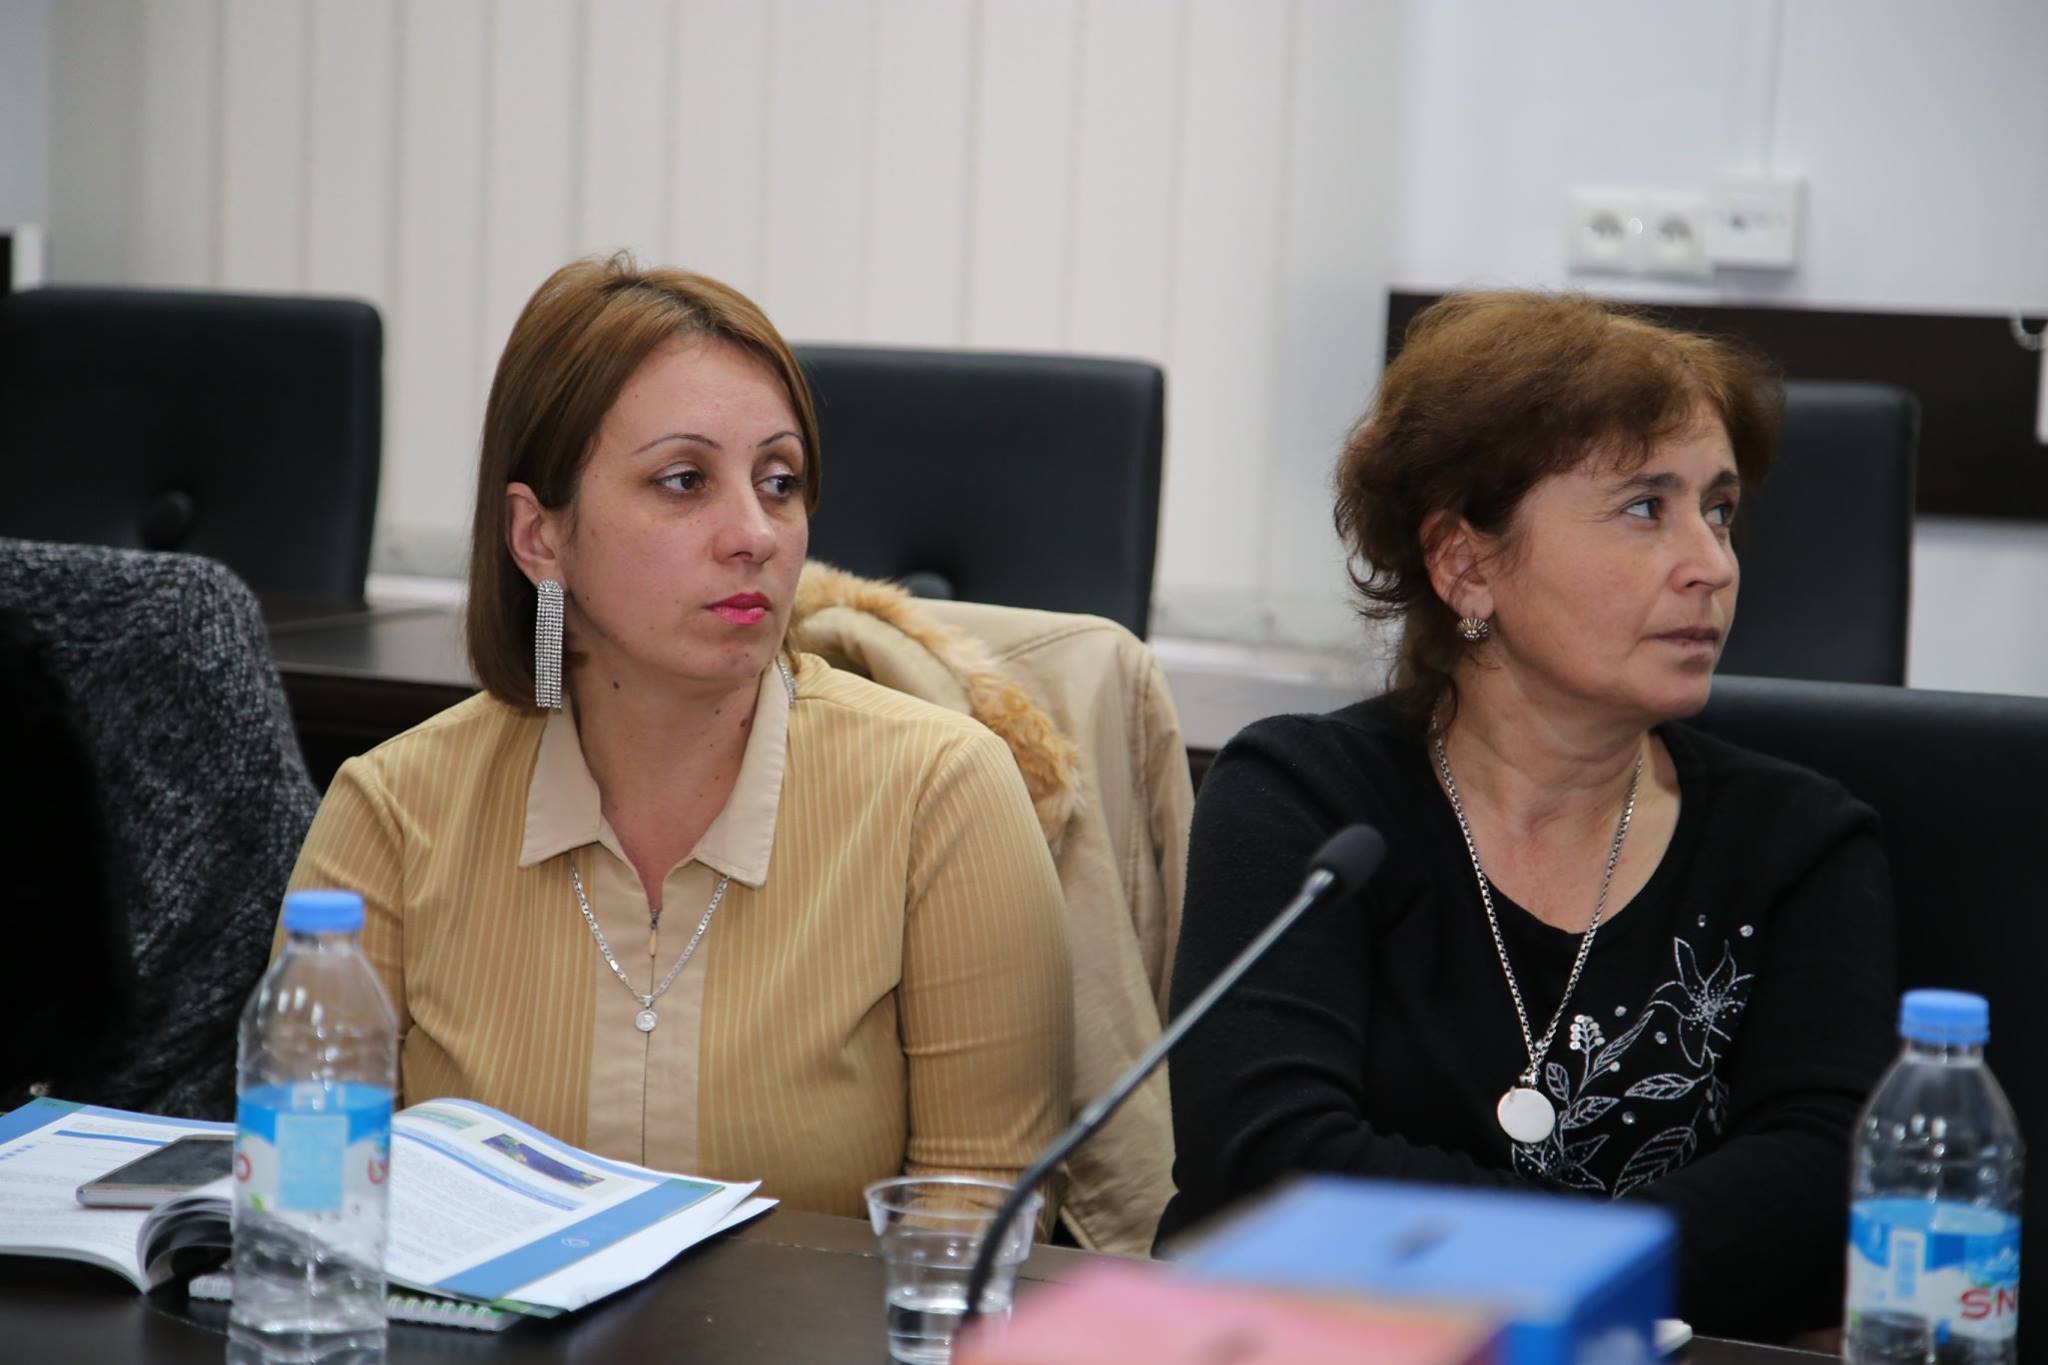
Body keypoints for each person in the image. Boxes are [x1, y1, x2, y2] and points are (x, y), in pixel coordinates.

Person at [1156, 292, 1896, 1340]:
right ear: (1466, 563)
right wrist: (1627, 1261)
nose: (1712, 564)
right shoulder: (1306, 801)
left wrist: (1514, 1265)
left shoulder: (1797, 842)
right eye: (1644, 508)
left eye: (1718, 509)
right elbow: (1264, 1163)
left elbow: (1823, 1184)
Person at [286, 255, 1072, 1219]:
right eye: (684, 480)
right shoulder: (391, 810)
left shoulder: (940, 792)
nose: (755, 533)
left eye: (779, 481)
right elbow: (308, 1206)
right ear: (539, 537)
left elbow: (977, 1222)